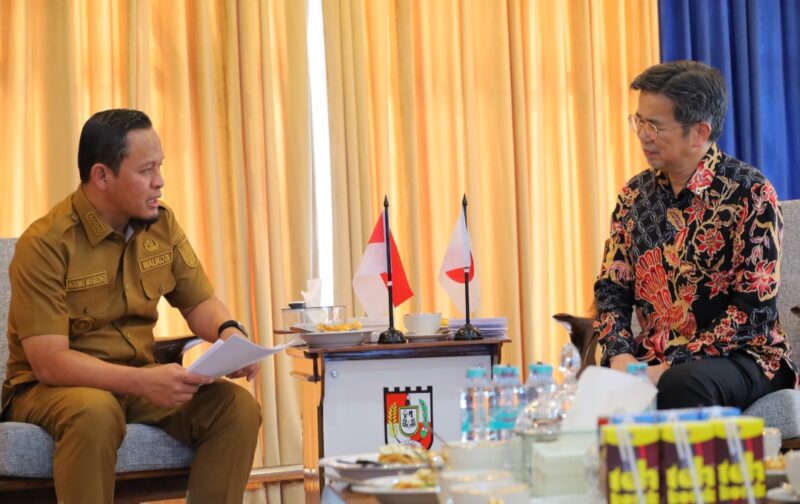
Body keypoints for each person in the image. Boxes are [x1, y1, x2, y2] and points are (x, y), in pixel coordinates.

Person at [1, 109, 262, 503]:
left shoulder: (161, 224)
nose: (160, 181)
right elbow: (49, 362)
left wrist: (229, 332)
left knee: (236, 408)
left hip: (137, 378)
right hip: (52, 389)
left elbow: (199, 302)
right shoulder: (45, 244)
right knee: (94, 411)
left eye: (160, 166)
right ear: (102, 176)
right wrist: (144, 382)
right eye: (146, 170)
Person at [594, 60, 797, 410]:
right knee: (592, 386)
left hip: (744, 355)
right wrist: (619, 355)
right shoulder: (634, 196)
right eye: (639, 121)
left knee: (682, 383)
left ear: (700, 133)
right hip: (654, 356)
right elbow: (611, 288)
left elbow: (753, 313)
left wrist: (670, 366)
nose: (643, 135)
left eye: (655, 126)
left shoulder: (750, 192)